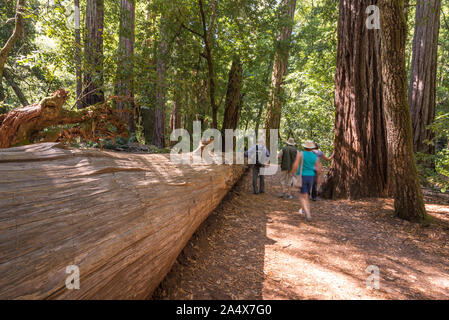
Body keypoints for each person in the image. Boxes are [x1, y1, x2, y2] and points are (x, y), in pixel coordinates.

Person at [291, 140, 322, 222]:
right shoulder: (315, 156)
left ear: (304, 147)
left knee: (303, 196)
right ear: (311, 148)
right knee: (306, 195)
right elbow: (319, 170)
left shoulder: (301, 154)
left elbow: (296, 164)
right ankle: (303, 210)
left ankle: (308, 214)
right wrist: (318, 179)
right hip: (311, 177)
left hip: (303, 176)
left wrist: (292, 172)